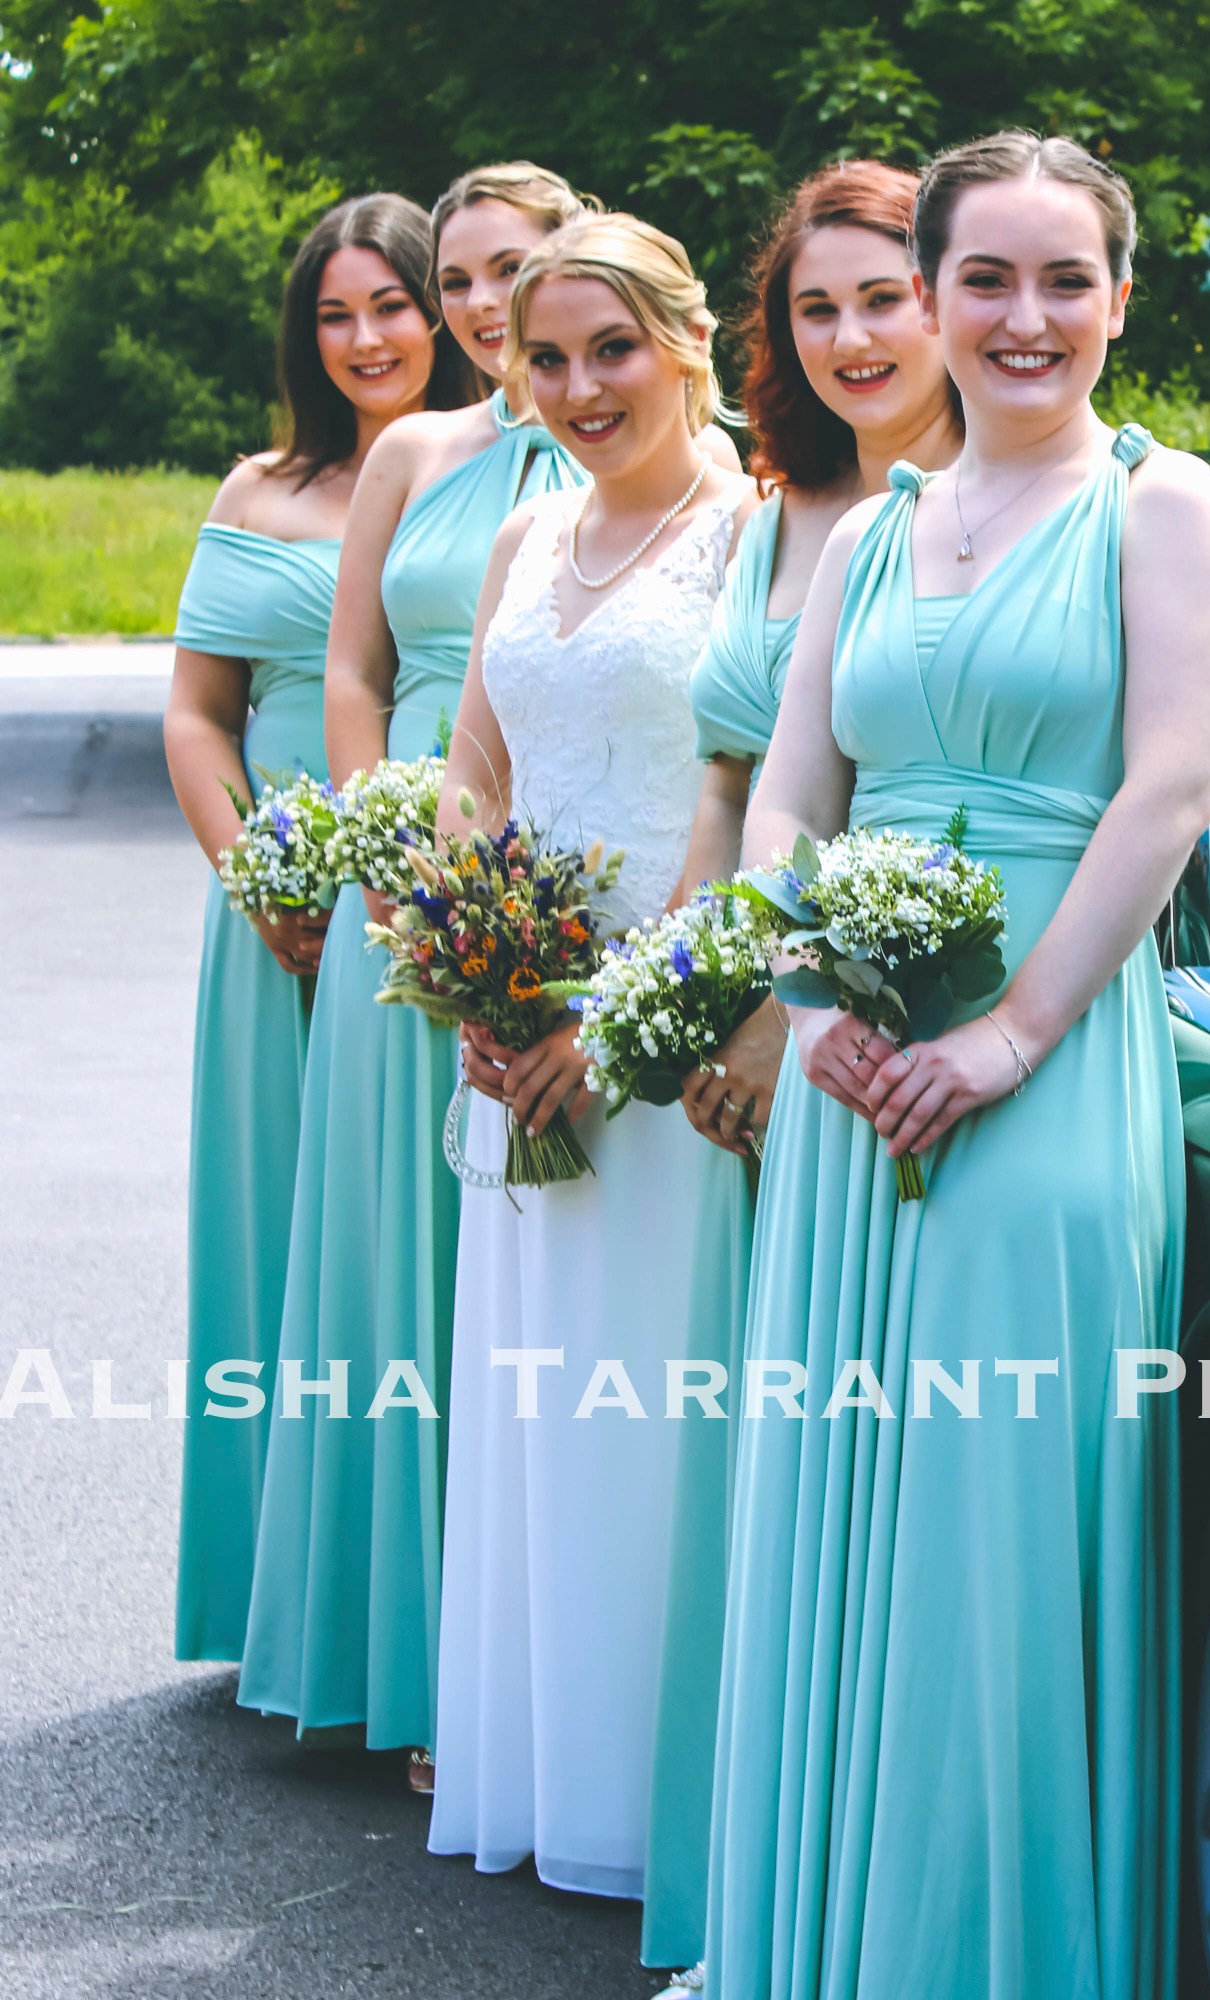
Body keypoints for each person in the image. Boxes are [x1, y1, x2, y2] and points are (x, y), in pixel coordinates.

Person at [692, 131, 1210, 2000]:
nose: (1026, 318)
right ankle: (830, 1951)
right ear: (929, 298)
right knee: (843, 1511)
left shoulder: (1169, 511)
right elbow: (791, 794)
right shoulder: (870, 534)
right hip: (855, 1077)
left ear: (1120, 300)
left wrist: (1009, 1035)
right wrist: (811, 1004)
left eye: (1064, 280)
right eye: (985, 280)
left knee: (995, 1526)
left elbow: (1168, 791)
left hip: (1051, 1072)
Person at [234, 163, 695, 1784]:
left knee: (617, 1337)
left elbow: (734, 771)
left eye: (538, 291)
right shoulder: (460, 486)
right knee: (472, 1318)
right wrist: (442, 922)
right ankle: (463, 1688)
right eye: (472, 286)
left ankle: (604, 1726)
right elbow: (393, 701)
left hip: (637, 942)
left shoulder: (729, 506)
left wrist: (626, 990)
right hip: (471, 929)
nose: (503, 319)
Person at [639, 156, 962, 1978]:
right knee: (774, 1476)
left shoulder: (993, 516)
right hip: (751, 1024)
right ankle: (769, 1880)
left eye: (882, 297)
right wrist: (698, 1012)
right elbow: (729, 787)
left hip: (874, 1032)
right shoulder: (786, 513)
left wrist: (784, 1017)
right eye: (815, 307)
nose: (851, 337)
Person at [425, 212, 758, 1900]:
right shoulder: (526, 532)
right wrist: (475, 969)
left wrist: (620, 1023)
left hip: (664, 1039)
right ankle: (550, 1769)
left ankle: (660, 1802)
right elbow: (473, 768)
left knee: (651, 1406)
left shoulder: (757, 533)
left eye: (611, 348)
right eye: (544, 358)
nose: (578, 387)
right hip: (516, 1027)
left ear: (688, 343)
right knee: (542, 1401)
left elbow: (742, 804)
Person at [166, 192, 460, 1666]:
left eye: (391, 305)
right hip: (277, 907)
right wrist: (258, 875)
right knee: (272, 1240)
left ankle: (396, 1605)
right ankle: (270, 1603)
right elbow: (196, 715)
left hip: (425, 899)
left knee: (399, 1256)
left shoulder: (490, 479)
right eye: (335, 315)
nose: (366, 339)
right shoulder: (260, 488)